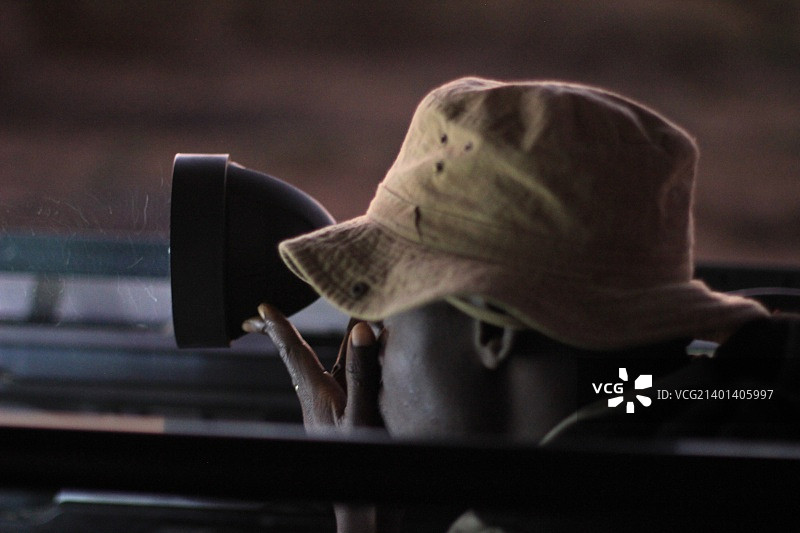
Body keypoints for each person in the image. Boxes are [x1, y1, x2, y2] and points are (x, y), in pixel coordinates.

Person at [242, 77, 798, 532]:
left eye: (383, 322)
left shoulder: (546, 516)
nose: (363, 354)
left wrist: (359, 507)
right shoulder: (727, 398)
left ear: (493, 330)